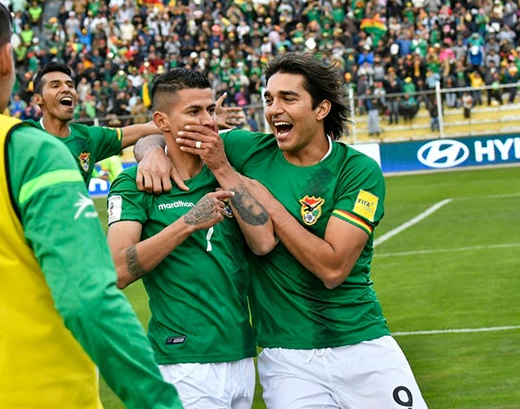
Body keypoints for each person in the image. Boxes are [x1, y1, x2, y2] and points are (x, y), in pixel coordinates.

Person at [0, 0, 182, 408]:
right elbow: (88, 297)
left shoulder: (61, 140)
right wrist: (159, 402)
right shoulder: (27, 149)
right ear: (5, 59)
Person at [135, 53, 427, 408]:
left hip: (361, 345)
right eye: (269, 99)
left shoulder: (356, 170)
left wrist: (265, 201)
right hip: (287, 360)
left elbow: (333, 269)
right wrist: (151, 153)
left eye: (288, 98)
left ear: (321, 109)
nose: (274, 110)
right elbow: (166, 131)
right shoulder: (247, 150)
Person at [106, 67, 275, 408]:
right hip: (181, 360)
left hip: (241, 355)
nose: (208, 120)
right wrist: (187, 223)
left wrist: (222, 168)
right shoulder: (136, 184)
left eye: (210, 109)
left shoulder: (227, 169)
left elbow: (263, 242)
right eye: (194, 111)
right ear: (162, 121)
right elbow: (116, 271)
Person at [27, 62, 246, 185]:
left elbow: (148, 128)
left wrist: (204, 119)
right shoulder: (24, 136)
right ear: (38, 99)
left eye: (70, 85)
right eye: (55, 86)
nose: (66, 89)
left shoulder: (88, 137)